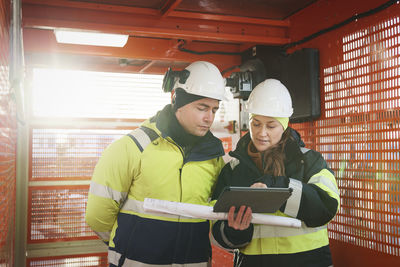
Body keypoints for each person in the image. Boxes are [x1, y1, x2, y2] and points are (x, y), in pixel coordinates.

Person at [85, 61, 227, 267]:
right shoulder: (132, 148)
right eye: (202, 108)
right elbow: (98, 216)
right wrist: (129, 246)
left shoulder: (214, 156)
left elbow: (215, 215)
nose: (209, 118)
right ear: (176, 101)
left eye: (214, 109)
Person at [211, 78, 340, 267]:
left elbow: (326, 208)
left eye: (271, 126)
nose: (262, 133)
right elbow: (216, 228)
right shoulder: (234, 168)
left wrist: (278, 186)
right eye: (256, 124)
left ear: (284, 125)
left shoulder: (310, 161)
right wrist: (235, 232)